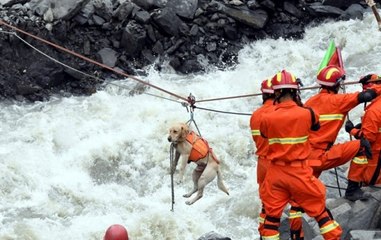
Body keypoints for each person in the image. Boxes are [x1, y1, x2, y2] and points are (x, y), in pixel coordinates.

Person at [259, 70, 342, 239]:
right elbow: (316, 127)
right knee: (321, 214)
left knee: (271, 220)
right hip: (299, 172)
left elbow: (264, 135)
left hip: (276, 174)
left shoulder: (266, 117)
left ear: (276, 92)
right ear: (295, 90)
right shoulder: (308, 113)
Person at [304, 65, 376, 201]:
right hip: (321, 157)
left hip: (305, 157)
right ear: (337, 84)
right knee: (361, 145)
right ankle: (352, 190)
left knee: (301, 198)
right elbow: (368, 95)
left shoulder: (309, 101)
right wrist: (376, 83)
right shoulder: (339, 101)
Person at [250, 78, 275, 234]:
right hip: (278, 164)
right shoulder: (281, 113)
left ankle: (263, 233)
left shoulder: (255, 115)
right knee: (294, 203)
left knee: (266, 204)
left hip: (262, 164)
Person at [346, 74, 381, 185]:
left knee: (372, 185)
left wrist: (352, 130)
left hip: (375, 156)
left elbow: (368, 138)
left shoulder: (373, 110)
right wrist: (363, 125)